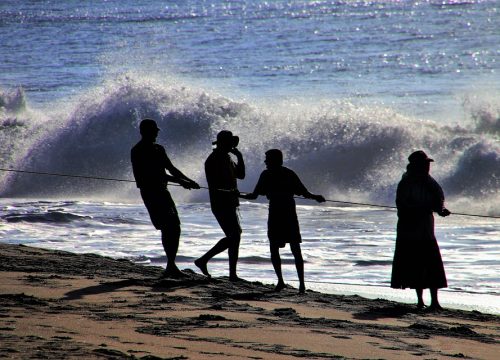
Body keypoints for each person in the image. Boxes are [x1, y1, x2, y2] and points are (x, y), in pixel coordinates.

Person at [240, 149, 325, 293]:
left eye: (267, 159)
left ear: (275, 160)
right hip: (289, 214)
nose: (265, 161)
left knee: (276, 248)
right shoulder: (288, 173)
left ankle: (281, 282)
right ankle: (301, 285)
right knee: (295, 249)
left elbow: (254, 196)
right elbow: (305, 193)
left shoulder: (267, 174)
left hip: (277, 214)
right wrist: (315, 197)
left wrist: (237, 195)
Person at [131, 119, 200, 278]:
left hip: (163, 192)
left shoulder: (159, 149)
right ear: (145, 131)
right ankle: (170, 266)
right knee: (167, 226)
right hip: (151, 193)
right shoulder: (138, 150)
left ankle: (171, 264)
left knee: (174, 226)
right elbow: (155, 174)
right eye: (154, 130)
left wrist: (188, 180)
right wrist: (181, 182)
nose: (157, 132)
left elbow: (171, 168)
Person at [391, 150, 450, 310]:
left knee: (431, 265)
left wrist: (440, 209)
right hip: (411, 231)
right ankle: (420, 301)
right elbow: (403, 206)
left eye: (428, 164)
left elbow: (437, 200)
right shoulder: (407, 182)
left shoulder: (428, 181)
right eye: (425, 163)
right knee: (417, 265)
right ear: (417, 165)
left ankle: (435, 302)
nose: (427, 166)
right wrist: (430, 208)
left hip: (425, 230)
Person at [194, 130, 245, 281]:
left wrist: (240, 157)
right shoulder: (214, 159)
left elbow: (241, 175)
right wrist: (229, 191)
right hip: (220, 202)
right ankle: (204, 260)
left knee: (235, 236)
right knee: (234, 236)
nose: (232, 146)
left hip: (230, 202)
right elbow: (216, 183)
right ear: (223, 143)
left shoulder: (228, 157)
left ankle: (232, 274)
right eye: (230, 143)